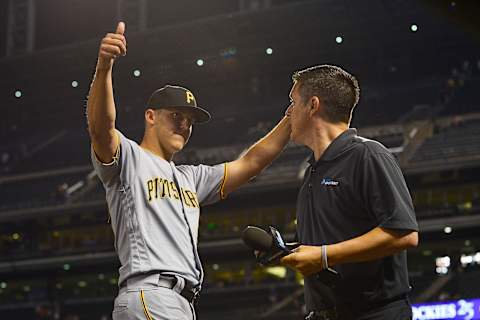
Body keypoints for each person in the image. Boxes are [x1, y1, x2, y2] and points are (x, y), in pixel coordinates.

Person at [86, 22, 291, 320]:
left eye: (190, 120)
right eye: (176, 116)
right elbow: (100, 128)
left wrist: (290, 119)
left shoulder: (190, 178)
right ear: (151, 116)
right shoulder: (130, 157)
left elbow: (251, 163)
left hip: (179, 301)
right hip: (151, 293)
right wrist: (104, 67)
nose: (184, 124)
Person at [280, 65, 419, 320]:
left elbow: (404, 234)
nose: (288, 112)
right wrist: (284, 250)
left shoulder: (368, 154)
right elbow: (324, 245)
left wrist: (322, 256)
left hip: (375, 313)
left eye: (292, 102)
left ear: (313, 105)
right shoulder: (313, 170)